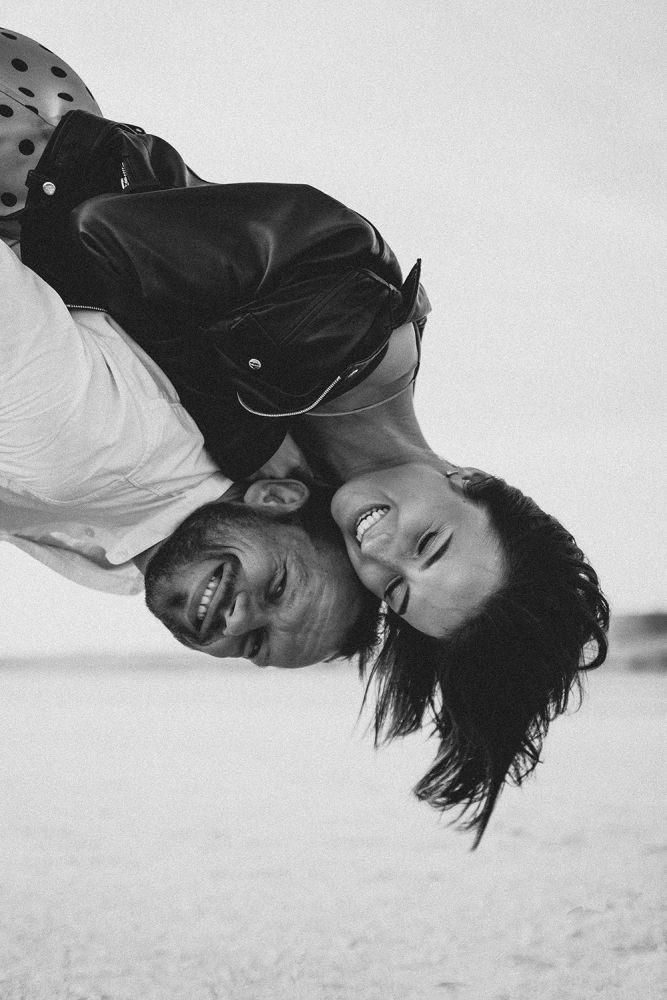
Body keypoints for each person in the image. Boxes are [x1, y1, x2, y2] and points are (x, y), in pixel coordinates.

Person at [1, 28, 609, 844]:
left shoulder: (282, 454)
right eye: (428, 544)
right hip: (27, 139)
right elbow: (103, 227)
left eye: (393, 591)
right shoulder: (348, 328)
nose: (379, 549)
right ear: (471, 483)